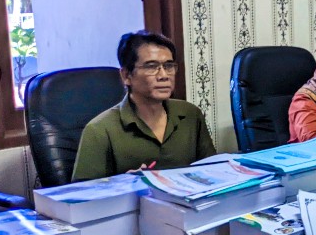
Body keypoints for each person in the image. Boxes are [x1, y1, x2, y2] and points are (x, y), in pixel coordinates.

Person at [72, 31, 216, 181]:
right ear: (126, 75)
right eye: (151, 67)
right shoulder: (99, 130)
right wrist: (123, 184)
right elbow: (83, 193)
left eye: (168, 66)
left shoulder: (190, 114)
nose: (163, 76)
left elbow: (214, 171)